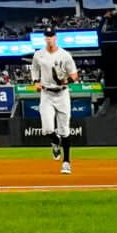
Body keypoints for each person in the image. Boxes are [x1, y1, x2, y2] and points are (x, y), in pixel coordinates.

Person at [30, 29, 78, 172]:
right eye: (47, 36)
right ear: (44, 39)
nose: (49, 38)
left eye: (51, 36)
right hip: (46, 93)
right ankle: (55, 142)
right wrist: (35, 81)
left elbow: (74, 75)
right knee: (48, 129)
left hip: (62, 94)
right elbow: (34, 68)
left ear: (55, 38)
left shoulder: (64, 55)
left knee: (64, 129)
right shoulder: (39, 54)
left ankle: (66, 162)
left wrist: (65, 81)